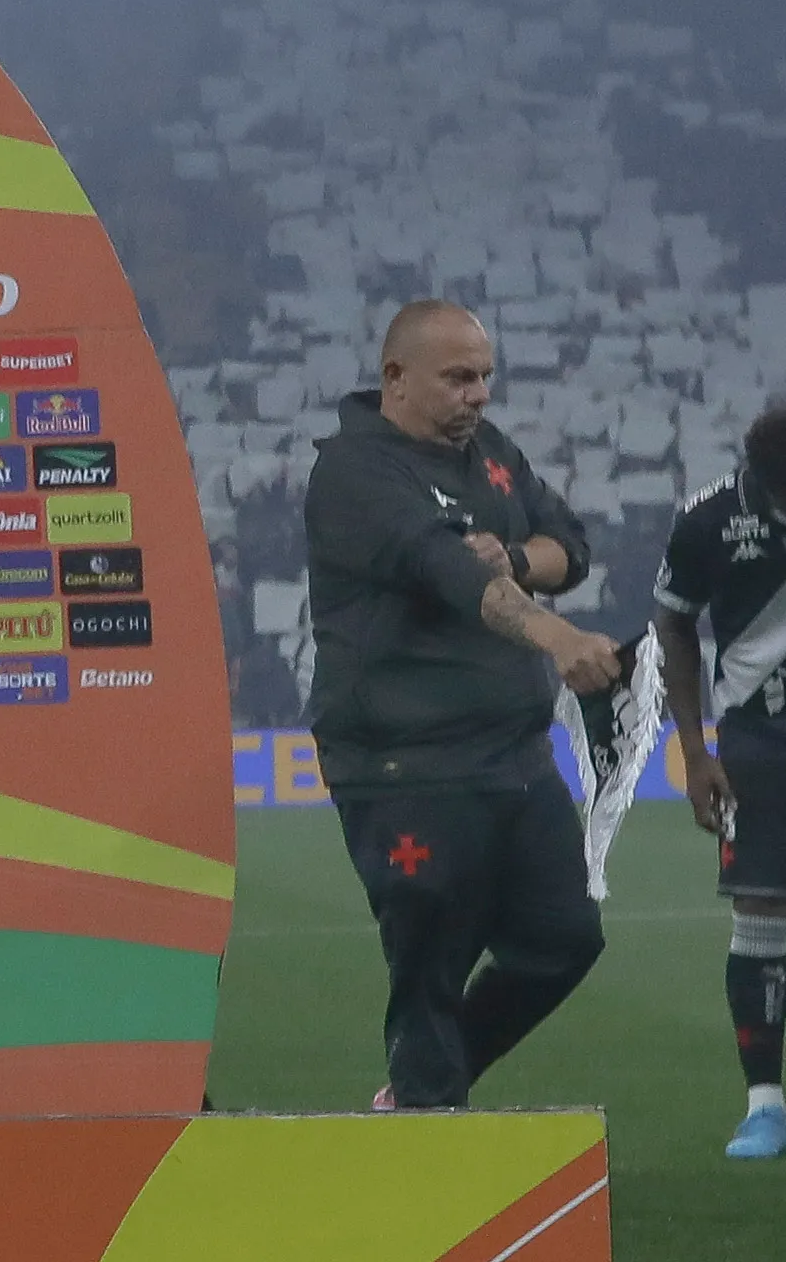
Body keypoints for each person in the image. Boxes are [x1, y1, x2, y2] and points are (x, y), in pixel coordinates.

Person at [300, 299, 624, 1112]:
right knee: (431, 965)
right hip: (407, 765)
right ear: (396, 379)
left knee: (565, 939)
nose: (478, 395)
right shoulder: (357, 472)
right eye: (458, 378)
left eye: (484, 376)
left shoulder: (493, 454)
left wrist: (515, 555)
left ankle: (426, 1088)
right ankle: (426, 1123)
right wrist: (553, 636)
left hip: (512, 755)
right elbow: (445, 572)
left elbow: (569, 546)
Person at [656, 400, 786, 1159]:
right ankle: (764, 1107)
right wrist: (694, 751)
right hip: (756, 747)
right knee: (762, 910)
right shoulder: (709, 518)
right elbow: (673, 621)